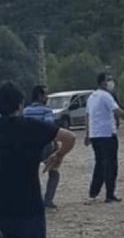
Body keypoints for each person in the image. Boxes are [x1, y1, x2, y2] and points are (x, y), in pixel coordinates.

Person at [0, 82, 76, 238]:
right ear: (20, 104)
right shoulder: (32, 127)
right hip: (29, 202)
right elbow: (70, 137)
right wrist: (58, 155)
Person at [85, 72, 124, 204]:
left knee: (99, 164)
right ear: (103, 82)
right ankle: (110, 194)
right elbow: (117, 111)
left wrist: (87, 134)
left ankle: (93, 192)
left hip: (95, 135)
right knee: (111, 165)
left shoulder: (92, 97)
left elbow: (87, 116)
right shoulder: (105, 96)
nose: (110, 82)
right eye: (108, 80)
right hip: (107, 134)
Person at [22, 86, 61, 209]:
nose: (47, 97)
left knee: (30, 173)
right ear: (40, 95)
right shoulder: (46, 111)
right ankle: (48, 200)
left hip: (29, 145)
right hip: (44, 145)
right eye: (45, 95)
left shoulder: (26, 111)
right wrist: (55, 144)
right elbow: (49, 128)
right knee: (53, 173)